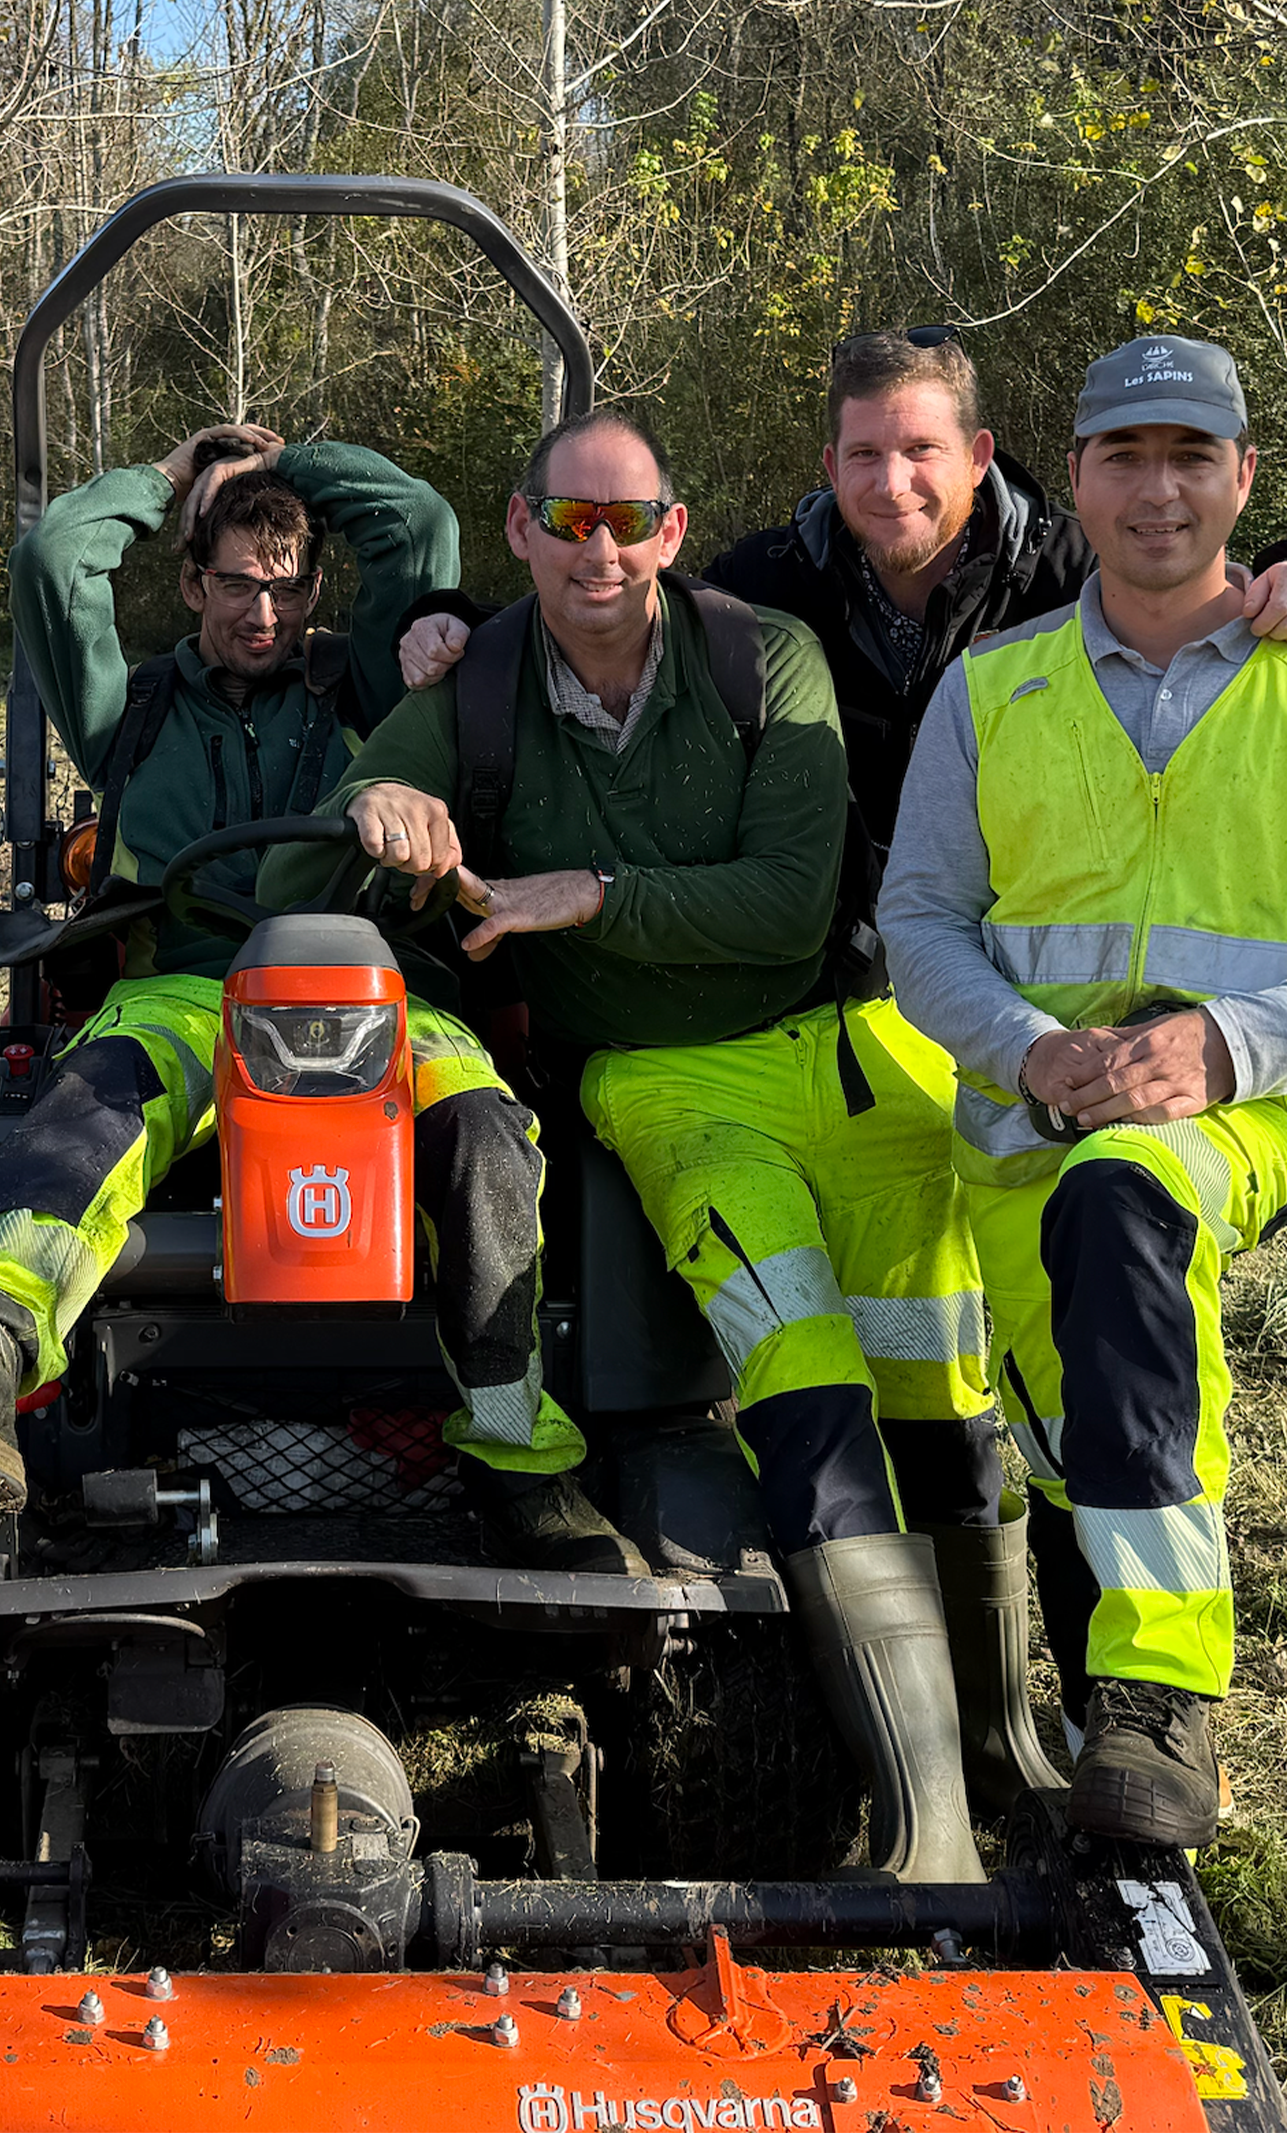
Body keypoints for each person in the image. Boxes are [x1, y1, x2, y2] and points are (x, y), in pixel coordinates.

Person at [395, 328, 1287, 1818]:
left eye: (921, 451)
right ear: (825, 469)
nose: (889, 481)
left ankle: (1094, 1716)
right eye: (861, 454)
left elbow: (1195, 570)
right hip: (918, 997)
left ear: (982, 459)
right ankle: (933, 1779)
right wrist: (460, 617)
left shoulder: (1054, 572)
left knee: (1011, 1363)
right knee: (877, 1359)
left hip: (984, 1017)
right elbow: (594, 581)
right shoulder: (777, 595)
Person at [276, 405, 989, 1881]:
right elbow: (308, 863)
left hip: (853, 1043)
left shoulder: (757, 661)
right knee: (803, 1377)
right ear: (521, 531)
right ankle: (930, 1831)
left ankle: (1010, 1744)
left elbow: (789, 906)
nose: (599, 550)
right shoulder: (475, 684)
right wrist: (378, 801)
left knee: (962, 1379)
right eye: (568, 522)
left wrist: (587, 895)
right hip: (663, 1079)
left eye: (629, 522)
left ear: (671, 531)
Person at [0, 425, 622, 1571]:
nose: (262, 613)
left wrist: (297, 461)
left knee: (482, 1132)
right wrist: (186, 469)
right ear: (192, 580)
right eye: (236, 584)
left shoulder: (366, 686)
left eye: (286, 588)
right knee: (94, 1099)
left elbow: (416, 520)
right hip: (184, 992)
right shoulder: (133, 709)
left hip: (374, 986)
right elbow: (54, 558)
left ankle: (518, 1453)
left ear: (317, 588)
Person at [880, 336, 1287, 1845]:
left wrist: (1225, 1051)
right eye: (1125, 457)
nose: (1157, 489)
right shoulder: (990, 691)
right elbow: (923, 925)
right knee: (1071, 1416)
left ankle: (1156, 1698)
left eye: (1190, 457)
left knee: (1125, 1216)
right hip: (1030, 1115)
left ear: (1242, 480)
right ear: (1072, 482)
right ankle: (1078, 1725)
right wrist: (1030, 1052)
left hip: (1261, 1107)